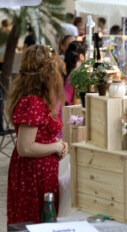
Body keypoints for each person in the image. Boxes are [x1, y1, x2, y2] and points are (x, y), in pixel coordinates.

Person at [6, 45, 68, 225]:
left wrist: (58, 142)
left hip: (40, 170)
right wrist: (56, 146)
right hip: (33, 174)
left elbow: (39, 134)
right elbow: (25, 147)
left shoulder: (37, 99)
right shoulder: (33, 101)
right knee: (35, 221)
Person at [63, 41, 87, 106]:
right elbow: (75, 105)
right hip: (67, 114)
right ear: (81, 56)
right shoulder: (79, 77)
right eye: (86, 54)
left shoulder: (68, 73)